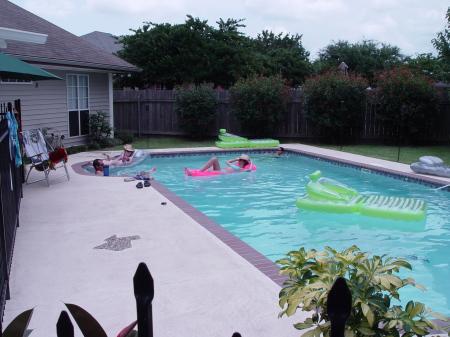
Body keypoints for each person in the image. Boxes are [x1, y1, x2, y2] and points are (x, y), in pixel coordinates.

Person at [185, 154, 253, 176]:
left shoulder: (242, 169)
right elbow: (227, 161)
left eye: (241, 160)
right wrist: (236, 159)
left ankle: (191, 173)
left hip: (224, 172)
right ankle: (200, 170)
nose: (239, 160)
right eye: (239, 159)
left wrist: (251, 162)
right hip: (220, 169)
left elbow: (249, 170)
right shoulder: (235, 164)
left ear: (244, 161)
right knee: (214, 159)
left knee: (209, 171)